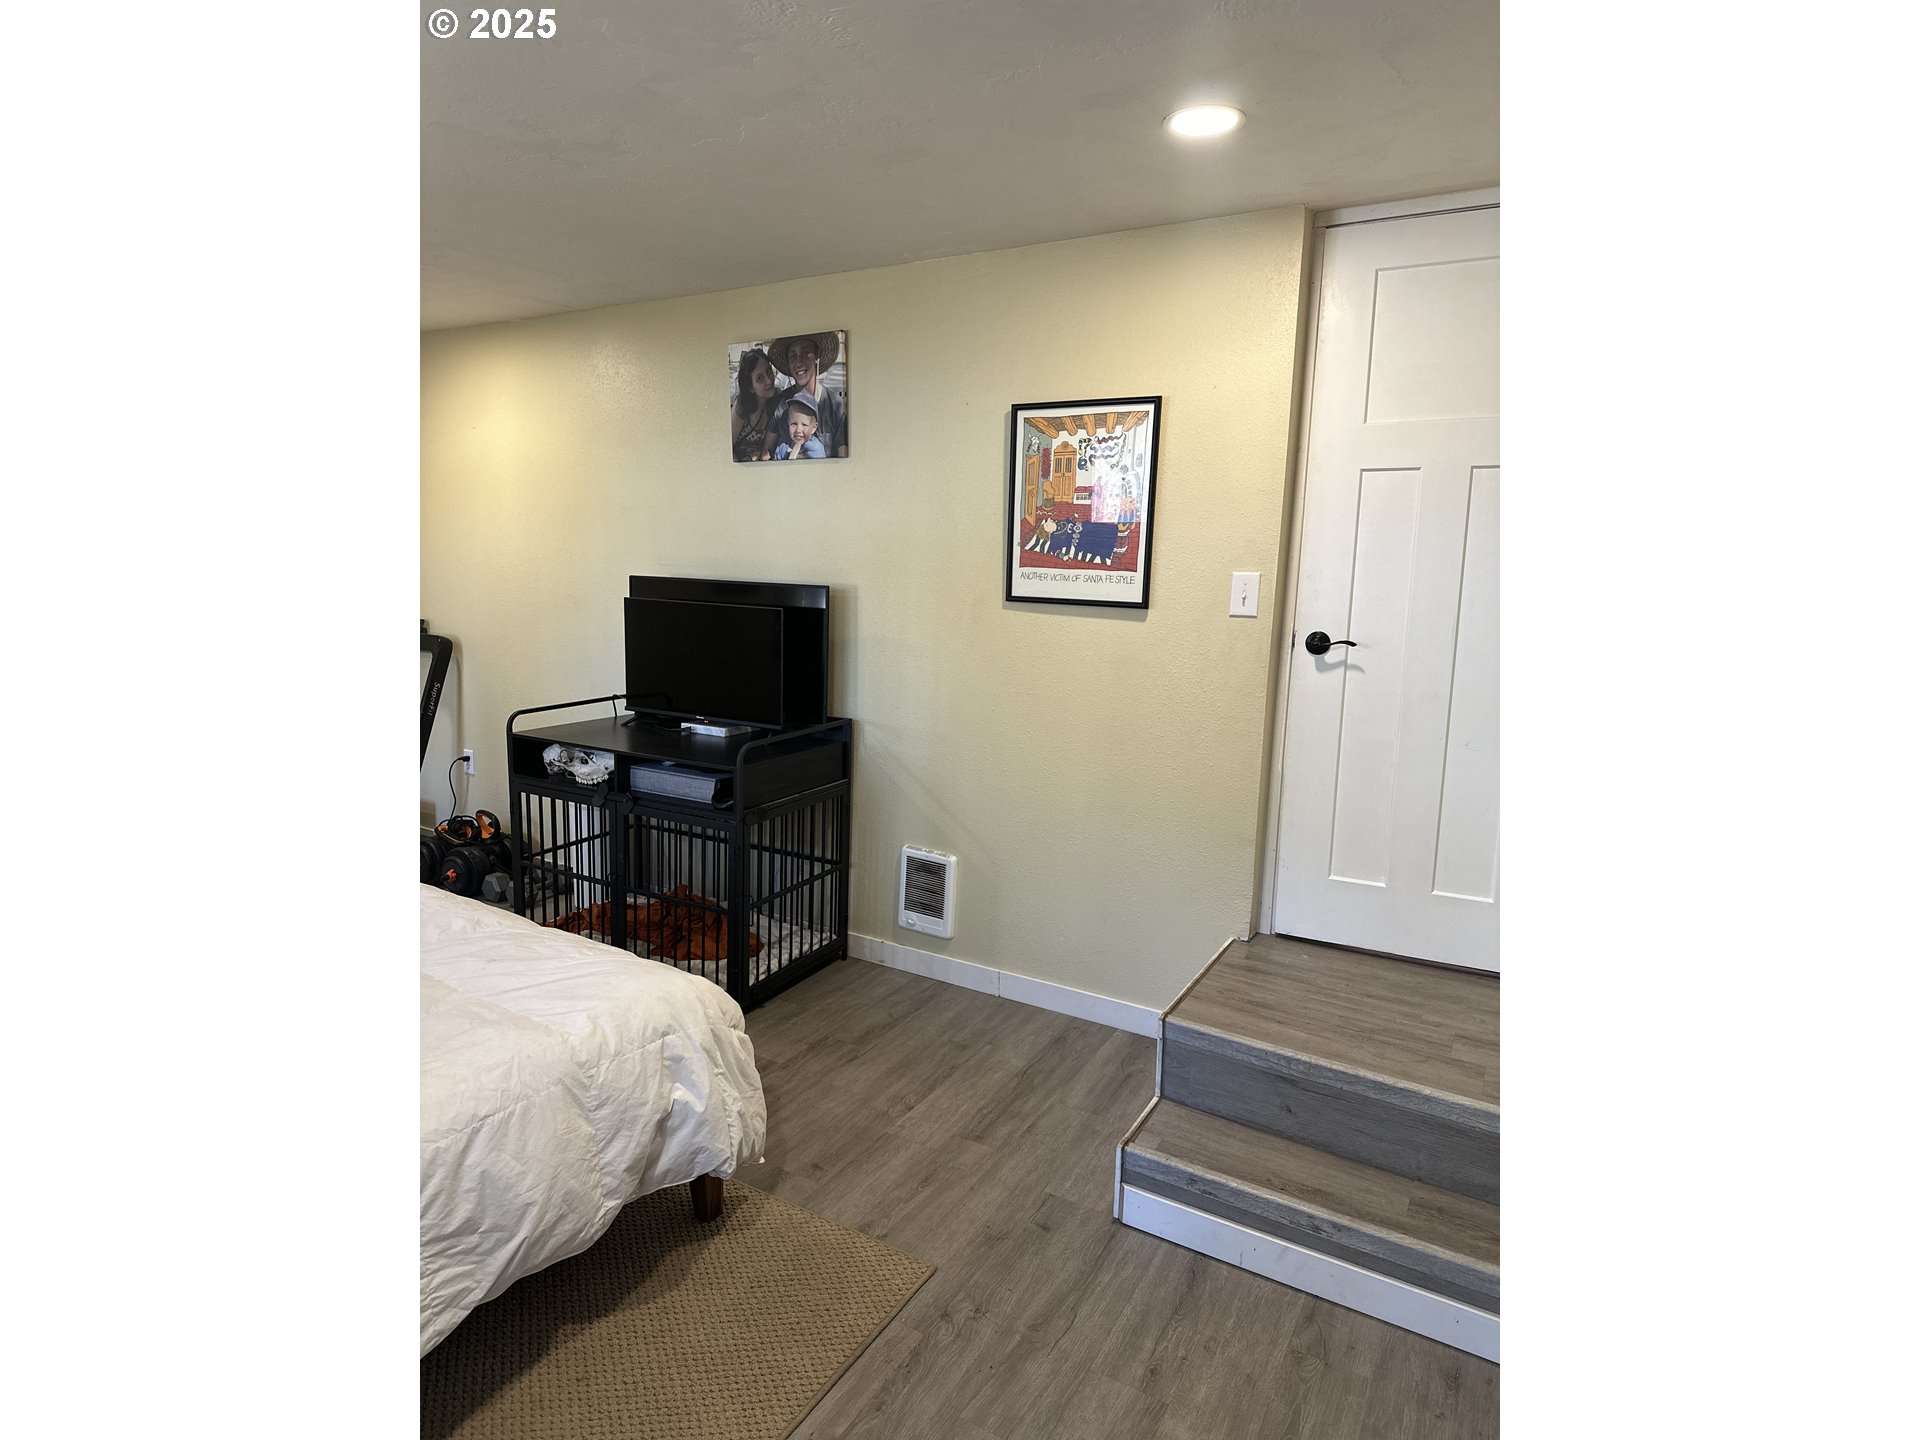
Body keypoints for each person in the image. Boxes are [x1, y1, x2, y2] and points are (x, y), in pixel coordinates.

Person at [766, 331, 848, 458]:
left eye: (805, 353)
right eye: (793, 356)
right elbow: (767, 453)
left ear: (817, 357)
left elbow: (843, 456)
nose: (799, 362)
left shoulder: (835, 405)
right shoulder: (779, 404)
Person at [729, 347, 779, 462]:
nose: (769, 381)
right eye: (760, 378)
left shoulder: (778, 401)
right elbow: (726, 448)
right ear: (750, 387)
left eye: (768, 371)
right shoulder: (741, 407)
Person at [771, 389, 826, 459]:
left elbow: (820, 468)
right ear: (788, 423)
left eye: (804, 425)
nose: (798, 430)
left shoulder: (816, 449)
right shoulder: (782, 447)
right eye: (794, 424)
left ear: (814, 428)